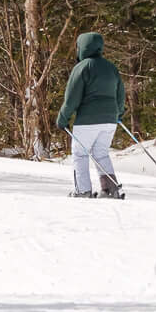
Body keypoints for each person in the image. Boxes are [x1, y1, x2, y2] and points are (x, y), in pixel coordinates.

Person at [56, 31, 126, 199]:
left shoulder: (82, 67)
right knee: (101, 152)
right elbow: (120, 94)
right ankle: (110, 189)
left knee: (80, 153)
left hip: (88, 120)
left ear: (82, 48)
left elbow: (72, 98)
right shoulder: (111, 67)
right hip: (110, 120)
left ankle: (83, 190)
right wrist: (118, 113)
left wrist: (62, 118)